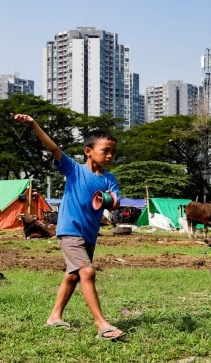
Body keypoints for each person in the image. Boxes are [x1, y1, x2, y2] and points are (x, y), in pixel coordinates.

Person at [12, 113, 126, 341]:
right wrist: (34, 124)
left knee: (73, 276)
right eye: (105, 151)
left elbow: (115, 200)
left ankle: (55, 316)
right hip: (69, 230)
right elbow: (53, 147)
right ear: (88, 151)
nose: (110, 155)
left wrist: (108, 199)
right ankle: (101, 324)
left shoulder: (109, 178)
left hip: (89, 234)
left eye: (113, 151)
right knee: (87, 271)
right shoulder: (74, 170)